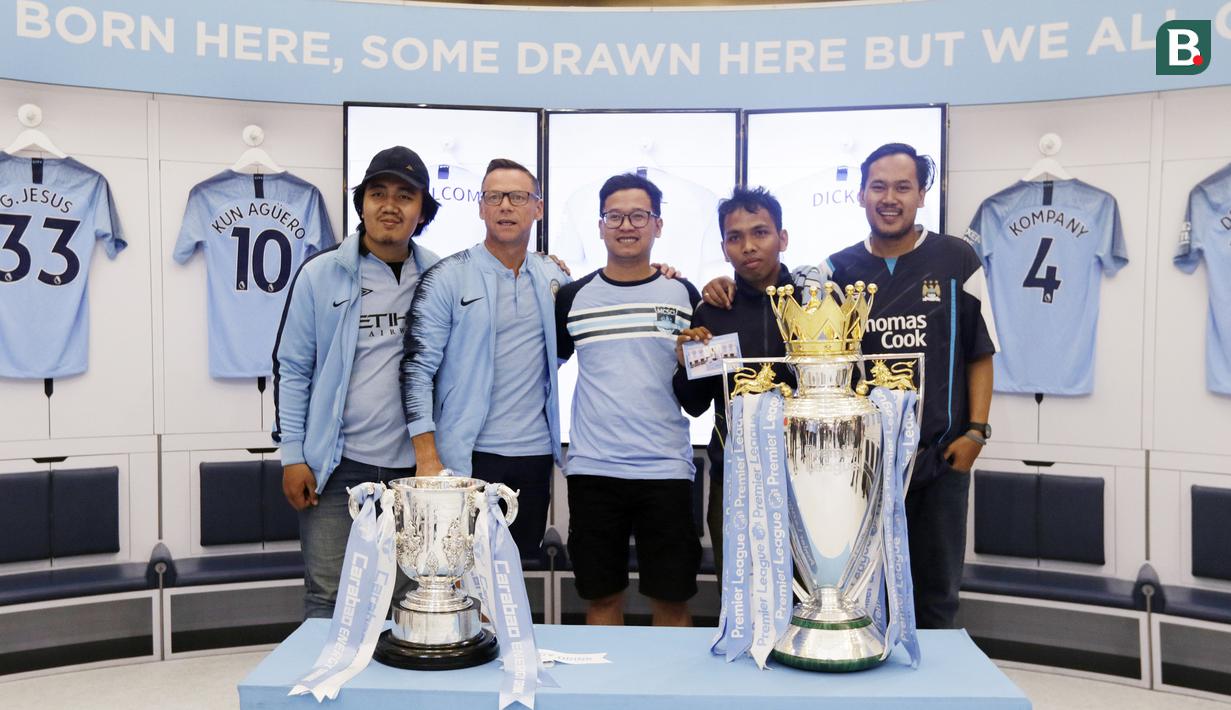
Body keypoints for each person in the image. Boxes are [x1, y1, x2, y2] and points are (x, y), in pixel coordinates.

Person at [703, 143, 998, 629]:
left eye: (903, 187)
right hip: (861, 464)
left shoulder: (958, 259)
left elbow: (981, 352)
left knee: (937, 596)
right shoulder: (835, 272)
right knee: (858, 590)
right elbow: (770, 297)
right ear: (860, 195)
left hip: (940, 459)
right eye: (878, 186)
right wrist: (720, 285)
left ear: (922, 195)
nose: (889, 198)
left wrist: (976, 433)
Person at [273, 145, 441, 618]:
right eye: (377, 193)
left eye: (405, 196)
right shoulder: (320, 274)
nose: (390, 205)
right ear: (361, 204)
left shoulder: (440, 277)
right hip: (335, 470)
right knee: (329, 598)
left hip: (415, 473)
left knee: (410, 603)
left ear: (422, 211)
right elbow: (293, 368)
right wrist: (292, 456)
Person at [401, 158, 570, 561]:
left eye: (518, 197)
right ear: (480, 207)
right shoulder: (447, 276)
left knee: (516, 575)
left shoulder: (555, 278)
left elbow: (561, 351)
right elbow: (416, 369)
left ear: (538, 208)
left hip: (534, 458)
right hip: (467, 457)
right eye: (494, 197)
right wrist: (427, 456)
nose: (505, 206)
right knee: (459, 574)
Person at [555, 173, 702, 627]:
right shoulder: (572, 298)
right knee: (601, 599)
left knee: (673, 601)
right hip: (594, 471)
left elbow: (699, 393)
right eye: (614, 216)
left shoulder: (684, 294)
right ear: (600, 226)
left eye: (639, 215)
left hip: (666, 470)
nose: (626, 226)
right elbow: (542, 372)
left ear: (657, 225)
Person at [672, 187, 794, 580]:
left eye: (760, 232)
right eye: (735, 237)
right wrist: (685, 364)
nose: (748, 246)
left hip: (805, 478)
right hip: (734, 479)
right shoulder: (713, 310)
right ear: (724, 249)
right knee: (738, 595)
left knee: (809, 595)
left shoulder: (812, 301)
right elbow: (695, 404)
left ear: (782, 238)